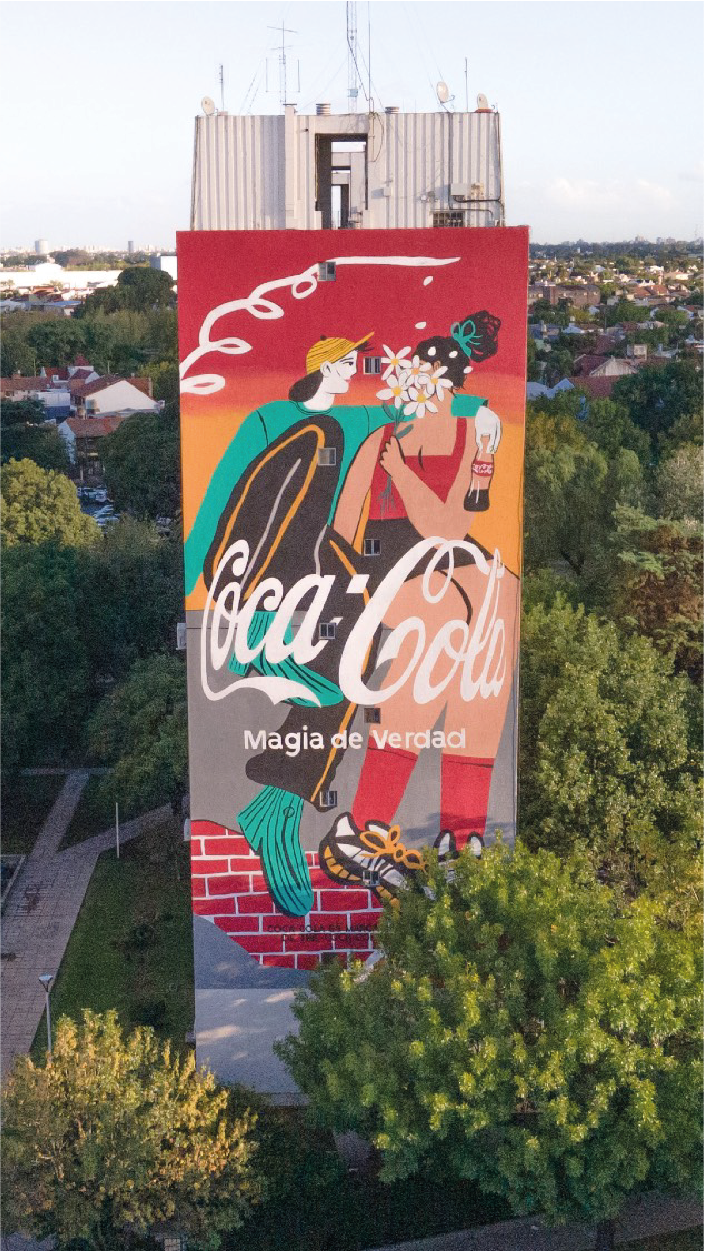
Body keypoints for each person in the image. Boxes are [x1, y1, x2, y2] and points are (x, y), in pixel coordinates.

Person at [321, 313, 520, 900]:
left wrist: (407, 475)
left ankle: (462, 830)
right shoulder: (380, 442)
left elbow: (452, 524)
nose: (424, 399)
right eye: (415, 386)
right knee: (445, 615)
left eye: (436, 388)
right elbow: (343, 528)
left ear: (451, 388)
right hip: (390, 566)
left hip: (450, 557)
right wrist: (340, 592)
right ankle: (363, 825)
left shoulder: (471, 438)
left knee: (500, 598)